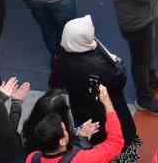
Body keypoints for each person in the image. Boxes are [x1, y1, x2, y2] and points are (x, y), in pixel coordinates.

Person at [54, 15, 136, 151]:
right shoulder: (97, 66)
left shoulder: (63, 55)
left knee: (96, 142)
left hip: (81, 109)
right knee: (120, 139)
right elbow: (119, 80)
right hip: (106, 108)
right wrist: (118, 64)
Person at [28, 79, 125, 161]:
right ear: (62, 141)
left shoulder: (32, 157)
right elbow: (115, 143)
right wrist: (107, 102)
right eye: (64, 129)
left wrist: (80, 136)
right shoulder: (83, 159)